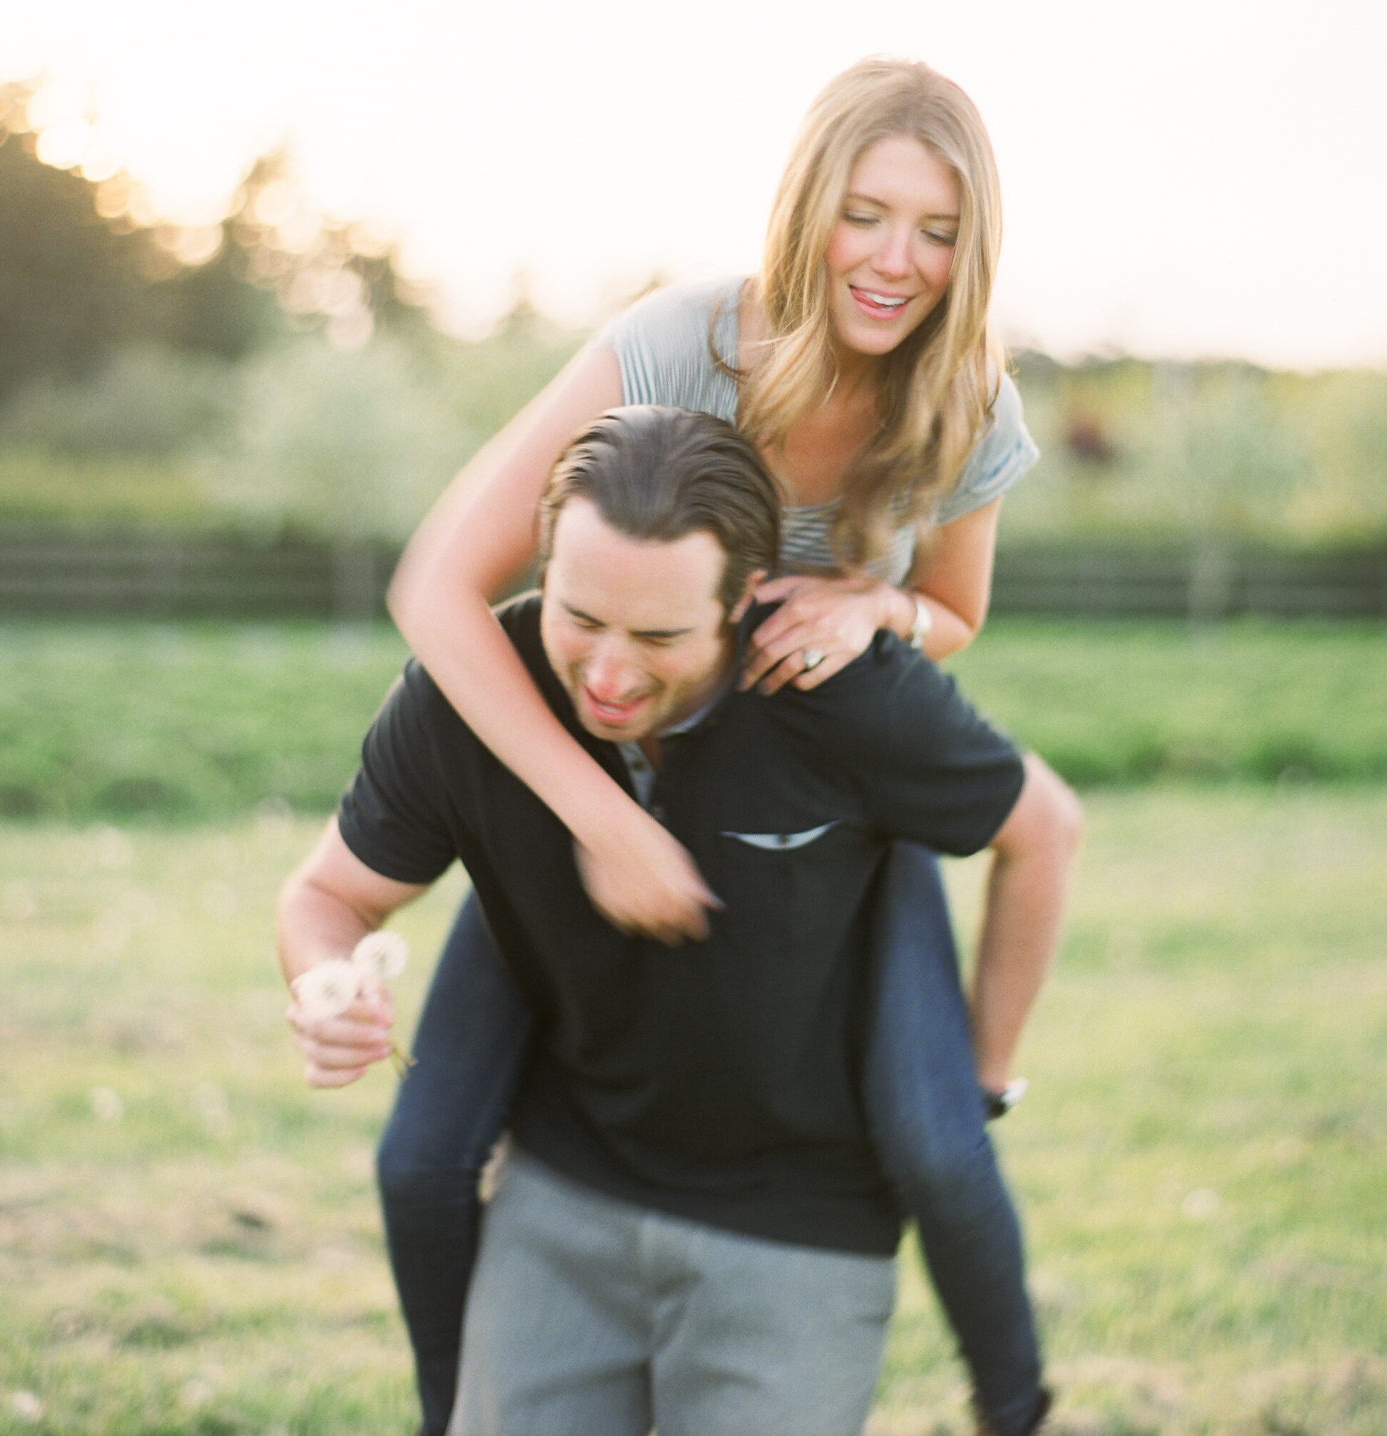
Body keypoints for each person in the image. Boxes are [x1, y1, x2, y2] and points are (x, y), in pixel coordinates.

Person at [381, 57, 1054, 1436]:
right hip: (600, 785)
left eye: (938, 231)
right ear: (809, 203)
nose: (896, 261)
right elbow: (437, 588)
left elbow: (956, 617)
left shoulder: (966, 402)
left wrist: (883, 603)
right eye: (867, 214)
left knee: (938, 1139)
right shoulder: (681, 346)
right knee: (429, 1153)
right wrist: (598, 818)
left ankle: (1021, 1405)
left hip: (823, 814)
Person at [280, 407, 1079, 1436]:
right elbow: (326, 895)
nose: (607, 676)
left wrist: (977, 1079)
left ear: (744, 598)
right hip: (563, 1198)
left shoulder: (835, 690)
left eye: (657, 635)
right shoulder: (463, 701)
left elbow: (1044, 826)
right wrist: (319, 980)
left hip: (798, 1226)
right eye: (578, 618)